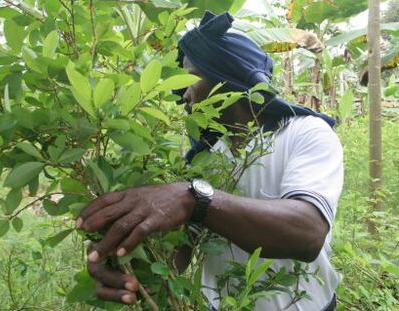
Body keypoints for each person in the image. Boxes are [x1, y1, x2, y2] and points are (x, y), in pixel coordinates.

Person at [76, 11, 343, 311]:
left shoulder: (305, 133)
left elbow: (307, 231)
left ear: (227, 76)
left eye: (190, 78)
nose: (184, 96)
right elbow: (180, 253)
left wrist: (195, 198)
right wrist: (122, 260)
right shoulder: (207, 158)